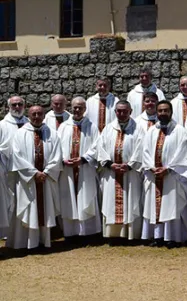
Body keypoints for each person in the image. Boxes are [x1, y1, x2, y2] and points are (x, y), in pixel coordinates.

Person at [7, 105, 63, 249]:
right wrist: (33, 173)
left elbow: (57, 156)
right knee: (28, 209)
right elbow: (16, 156)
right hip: (28, 181)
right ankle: (24, 243)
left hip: (46, 179)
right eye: (34, 114)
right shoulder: (20, 134)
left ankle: (44, 242)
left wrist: (47, 172)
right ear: (29, 115)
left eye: (39, 114)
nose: (37, 117)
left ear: (44, 115)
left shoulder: (52, 133)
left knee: (45, 209)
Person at [140, 100, 187, 247]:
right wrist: (151, 167)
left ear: (171, 112)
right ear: (156, 112)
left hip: (172, 176)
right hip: (154, 175)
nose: (162, 113)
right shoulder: (151, 131)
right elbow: (146, 151)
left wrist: (168, 168)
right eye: (160, 110)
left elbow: (182, 152)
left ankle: (172, 237)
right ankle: (157, 236)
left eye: (165, 110)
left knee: (172, 205)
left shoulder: (179, 130)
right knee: (154, 206)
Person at [96, 100, 145, 240]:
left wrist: (129, 165)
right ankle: (113, 234)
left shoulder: (138, 129)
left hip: (130, 173)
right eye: (119, 111)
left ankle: (131, 234)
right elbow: (101, 147)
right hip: (111, 173)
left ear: (130, 112)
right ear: (115, 112)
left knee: (131, 202)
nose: (121, 114)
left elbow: (141, 148)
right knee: (110, 202)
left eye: (125, 111)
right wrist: (110, 164)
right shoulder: (108, 128)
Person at [57, 97, 101, 239]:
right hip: (67, 169)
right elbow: (57, 145)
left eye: (80, 107)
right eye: (75, 107)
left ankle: (87, 233)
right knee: (68, 198)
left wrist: (82, 159)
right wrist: (63, 159)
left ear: (85, 109)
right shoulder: (64, 126)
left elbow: (97, 146)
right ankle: (70, 233)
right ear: (71, 107)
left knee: (86, 197)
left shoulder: (91, 126)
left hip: (85, 168)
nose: (77, 110)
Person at [0, 96, 29, 238]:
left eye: (19, 104)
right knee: (8, 199)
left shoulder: (28, 123)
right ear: (8, 107)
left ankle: (23, 229)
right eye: (14, 105)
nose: (17, 107)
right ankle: (7, 231)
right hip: (7, 169)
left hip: (25, 169)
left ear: (24, 106)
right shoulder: (2, 125)